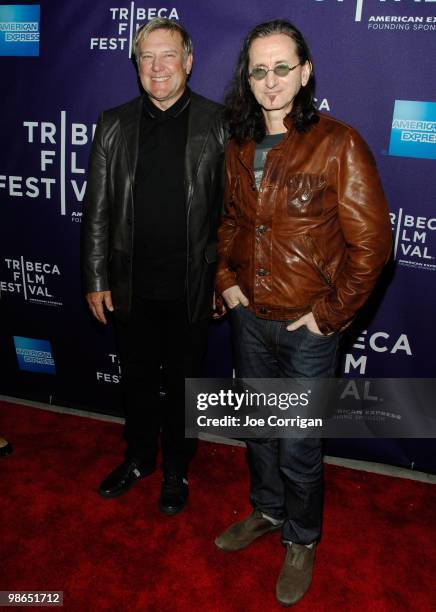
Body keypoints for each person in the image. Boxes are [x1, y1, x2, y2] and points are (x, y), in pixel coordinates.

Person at [214, 20, 392, 606]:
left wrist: (328, 315)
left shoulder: (338, 143)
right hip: (250, 320)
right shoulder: (239, 143)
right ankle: (266, 510)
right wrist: (226, 283)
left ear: (305, 72)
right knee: (260, 432)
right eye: (259, 69)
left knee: (297, 442)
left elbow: (372, 246)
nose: (270, 81)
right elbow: (230, 223)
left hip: (307, 331)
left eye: (282, 67)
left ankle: (302, 537)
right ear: (248, 75)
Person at [82, 18, 225, 515]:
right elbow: (96, 208)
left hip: (192, 285)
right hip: (131, 286)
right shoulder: (113, 123)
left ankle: (177, 468)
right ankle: (140, 457)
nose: (158, 66)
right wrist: (96, 278)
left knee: (186, 384)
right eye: (147, 57)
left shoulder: (218, 122)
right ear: (137, 65)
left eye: (168, 55)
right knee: (137, 380)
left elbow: (233, 214)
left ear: (188, 61)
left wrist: (221, 279)